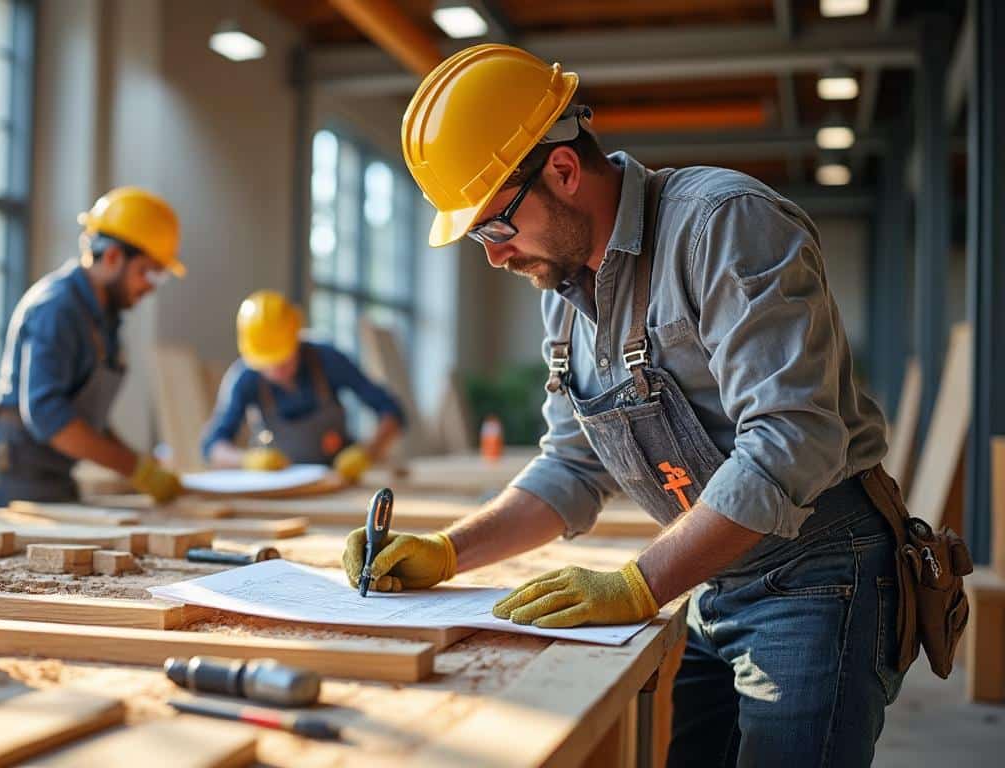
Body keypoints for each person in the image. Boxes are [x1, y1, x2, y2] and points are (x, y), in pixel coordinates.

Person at [342, 44, 902, 766]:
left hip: (820, 574)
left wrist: (641, 583)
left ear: (564, 171)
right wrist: (450, 550)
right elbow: (571, 468)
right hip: (713, 576)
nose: (493, 255)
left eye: (493, 226)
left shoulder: (722, 225)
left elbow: (791, 439)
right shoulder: (566, 295)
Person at [0, 188, 185, 508]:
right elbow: (49, 417)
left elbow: (90, 421)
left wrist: (141, 465)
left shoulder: (105, 319)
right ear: (113, 257)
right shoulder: (58, 308)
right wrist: (136, 469)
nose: (150, 285)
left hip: (55, 479)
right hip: (11, 484)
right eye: (148, 271)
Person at [200, 291, 405, 482]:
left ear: (296, 340)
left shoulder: (327, 360)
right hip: (281, 485)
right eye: (267, 363)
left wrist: (368, 452)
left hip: (339, 480)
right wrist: (246, 460)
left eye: (283, 360)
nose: (276, 369)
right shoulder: (245, 378)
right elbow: (213, 446)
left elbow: (391, 411)